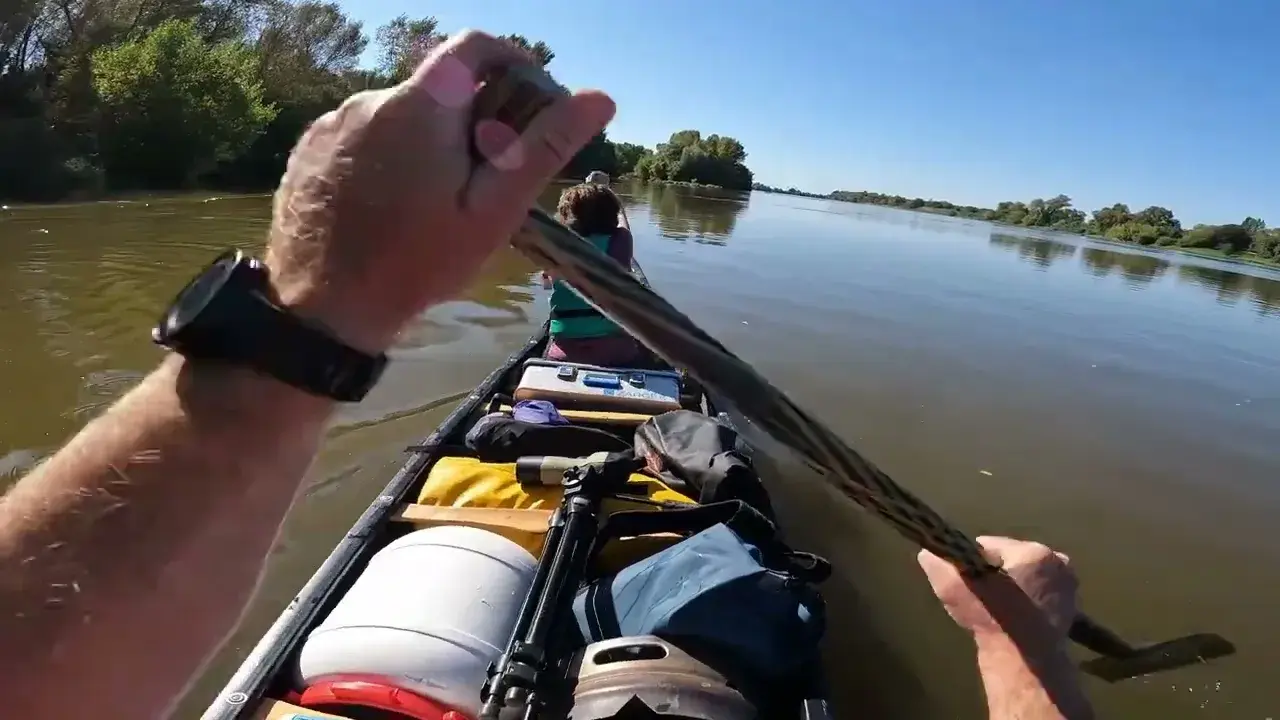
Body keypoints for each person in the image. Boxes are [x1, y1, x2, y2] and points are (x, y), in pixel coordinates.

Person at [0, 30, 1093, 720]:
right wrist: (1016, 651)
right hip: (627, 365)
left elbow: (563, 323)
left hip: (562, 372)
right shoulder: (619, 255)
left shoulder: (571, 261)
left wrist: (326, 303)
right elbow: (617, 316)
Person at [541, 181, 646, 367]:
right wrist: (617, 204)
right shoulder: (620, 241)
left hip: (564, 353)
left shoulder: (553, 244)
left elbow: (546, 285)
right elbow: (623, 226)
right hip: (616, 352)